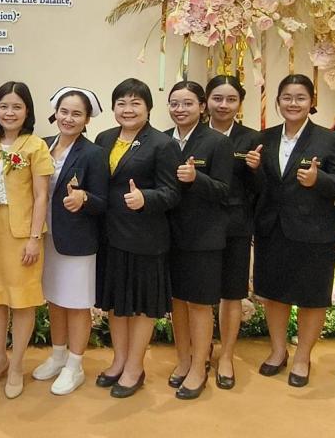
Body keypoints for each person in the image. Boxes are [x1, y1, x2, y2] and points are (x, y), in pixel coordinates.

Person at [248, 74, 335, 388]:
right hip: (271, 229)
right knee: (274, 294)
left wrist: (319, 180)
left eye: (301, 97)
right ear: (278, 101)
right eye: (287, 97)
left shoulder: (329, 139)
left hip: (314, 231)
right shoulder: (264, 138)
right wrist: (253, 170)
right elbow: (259, 188)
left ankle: (303, 357)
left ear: (311, 102)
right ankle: (278, 351)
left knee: (311, 298)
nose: (293, 103)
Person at [94, 78, 180, 399]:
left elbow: (172, 193)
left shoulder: (162, 144)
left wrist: (146, 198)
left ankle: (134, 367)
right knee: (116, 304)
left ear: (148, 108)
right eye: (121, 103)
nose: (127, 109)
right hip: (109, 235)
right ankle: (119, 360)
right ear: (113, 107)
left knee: (142, 306)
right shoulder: (104, 138)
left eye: (135, 103)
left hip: (145, 238)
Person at [0, 81, 55, 399]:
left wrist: (34, 238)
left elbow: (42, 195)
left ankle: (17, 365)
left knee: (22, 301)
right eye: (3, 106)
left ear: (27, 111)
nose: (9, 112)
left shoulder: (36, 146)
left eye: (17, 107)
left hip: (22, 234)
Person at [32, 87, 107, 396]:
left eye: (77, 114)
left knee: (76, 303)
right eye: (64, 111)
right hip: (46, 236)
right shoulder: (42, 145)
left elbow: (103, 201)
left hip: (77, 241)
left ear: (87, 119)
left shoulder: (93, 153)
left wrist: (84, 198)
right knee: (54, 298)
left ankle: (75, 365)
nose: (69, 118)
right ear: (55, 113)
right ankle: (58, 355)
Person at [164, 81, 232, 400]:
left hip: (203, 236)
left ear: (202, 107)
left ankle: (199, 367)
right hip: (169, 235)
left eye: (188, 103)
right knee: (177, 301)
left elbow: (224, 191)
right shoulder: (162, 140)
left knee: (199, 303)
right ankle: (183, 360)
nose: (180, 109)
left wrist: (196, 179)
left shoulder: (217, 142)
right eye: (175, 103)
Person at [205, 75, 261, 390]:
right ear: (207, 101)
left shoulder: (252, 139)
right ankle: (201, 350)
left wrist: (256, 170)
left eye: (230, 99)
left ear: (240, 103)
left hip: (236, 226)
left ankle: (226, 355)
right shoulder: (193, 134)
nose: (223, 105)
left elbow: (263, 189)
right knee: (199, 293)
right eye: (217, 98)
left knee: (232, 292)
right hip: (198, 226)